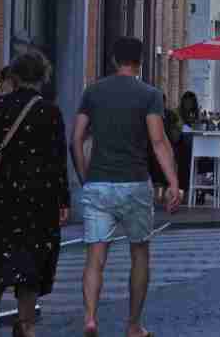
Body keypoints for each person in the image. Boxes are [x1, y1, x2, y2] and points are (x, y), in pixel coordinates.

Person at [71, 37, 180, 337]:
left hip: (98, 183)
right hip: (134, 183)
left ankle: (90, 318)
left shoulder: (92, 92)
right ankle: (133, 325)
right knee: (140, 254)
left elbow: (76, 138)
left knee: (95, 257)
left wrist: (84, 176)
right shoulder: (150, 95)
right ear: (140, 62)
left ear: (114, 60)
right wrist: (173, 182)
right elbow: (158, 141)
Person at [0, 52, 70, 337]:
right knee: (31, 262)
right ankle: (26, 325)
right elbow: (57, 160)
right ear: (43, 77)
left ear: (14, 77)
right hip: (38, 199)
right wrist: (64, 200)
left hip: (2, 196)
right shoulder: (50, 112)